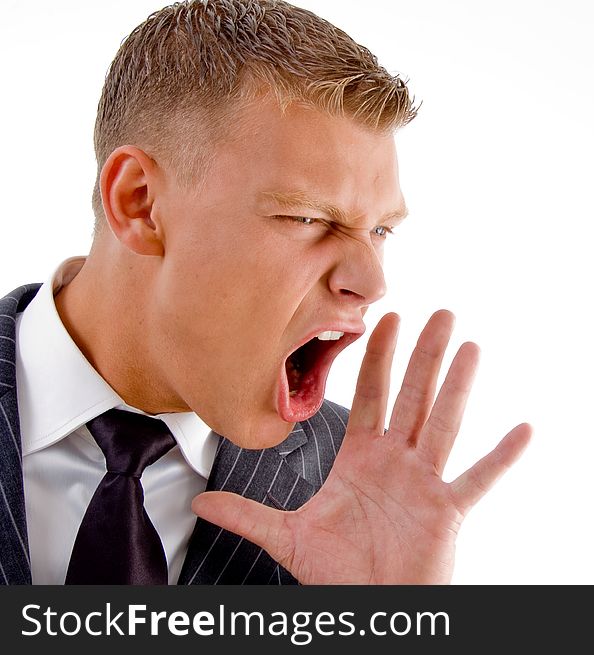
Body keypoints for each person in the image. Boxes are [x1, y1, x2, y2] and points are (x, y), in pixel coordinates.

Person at [0, 0, 530, 585]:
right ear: (140, 203)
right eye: (306, 218)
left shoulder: (360, 495)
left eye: (380, 230)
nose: (372, 282)